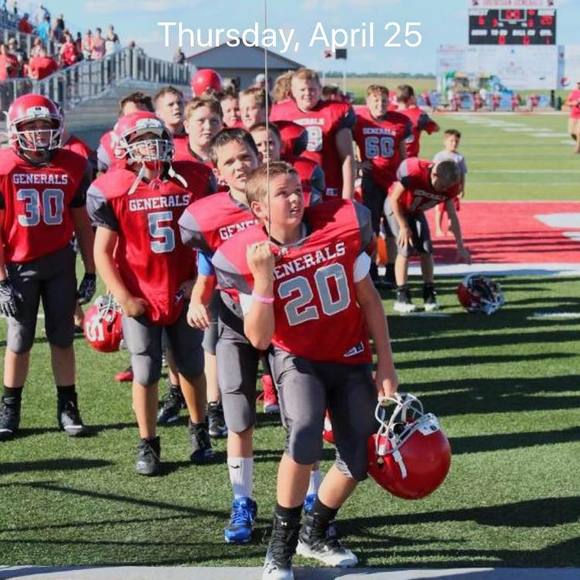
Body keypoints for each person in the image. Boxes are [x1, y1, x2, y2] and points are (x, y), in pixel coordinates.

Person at [211, 162, 398, 579]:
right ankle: (280, 548)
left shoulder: (339, 227)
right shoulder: (248, 252)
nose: (295, 198)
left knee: (359, 456)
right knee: (304, 433)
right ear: (259, 209)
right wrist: (263, 280)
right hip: (297, 359)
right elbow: (259, 338)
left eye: (298, 189)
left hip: (349, 354)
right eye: (283, 193)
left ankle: (315, 531)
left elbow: (369, 300)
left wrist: (385, 361)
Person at [88, 112, 213, 474]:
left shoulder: (192, 178)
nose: (151, 145)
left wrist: (198, 281)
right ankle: (148, 442)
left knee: (191, 365)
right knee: (144, 371)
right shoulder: (113, 187)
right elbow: (102, 252)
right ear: (124, 147)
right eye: (141, 140)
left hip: (182, 289)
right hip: (141, 293)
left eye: (155, 136)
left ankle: (199, 429)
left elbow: (209, 236)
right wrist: (123, 296)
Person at [179, 128, 263, 543]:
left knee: (299, 416)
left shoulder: (282, 197)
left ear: (259, 158)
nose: (240, 166)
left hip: (286, 320)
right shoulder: (208, 215)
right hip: (233, 320)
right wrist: (197, 300)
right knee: (238, 415)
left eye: (245, 157)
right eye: (230, 161)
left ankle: (310, 496)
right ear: (218, 172)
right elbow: (206, 270)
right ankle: (241, 501)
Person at [0, 94, 96, 441]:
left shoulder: (73, 164)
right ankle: (9, 406)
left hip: (59, 263)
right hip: (18, 265)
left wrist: (90, 270)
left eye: (46, 125)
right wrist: (1, 280)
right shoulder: (4, 166)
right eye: (32, 125)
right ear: (16, 129)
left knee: (62, 338)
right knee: (19, 340)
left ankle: (68, 405)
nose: (40, 132)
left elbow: (82, 222)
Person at [385, 158, 471, 313]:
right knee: (405, 248)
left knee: (426, 248)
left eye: (447, 187)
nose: (444, 190)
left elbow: (452, 215)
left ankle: (429, 292)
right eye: (442, 186)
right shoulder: (415, 172)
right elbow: (394, 199)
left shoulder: (450, 187)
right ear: (434, 175)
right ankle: (402, 295)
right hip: (397, 206)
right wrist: (404, 226)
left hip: (415, 210)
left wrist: (461, 246)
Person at [353, 84, 411, 288]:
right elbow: (346, 142)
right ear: (368, 102)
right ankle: (371, 270)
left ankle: (392, 270)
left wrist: (405, 177)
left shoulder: (399, 121)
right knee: (371, 228)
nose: (380, 104)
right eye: (376, 100)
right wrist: (357, 164)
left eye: (384, 100)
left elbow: (403, 154)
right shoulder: (359, 120)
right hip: (371, 180)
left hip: (393, 183)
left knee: (392, 227)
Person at [270, 68, 356, 201]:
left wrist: (348, 197)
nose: (307, 93)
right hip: (291, 184)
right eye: (302, 90)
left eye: (312, 89)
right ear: (292, 92)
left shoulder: (335, 112)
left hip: (329, 183)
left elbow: (347, 158)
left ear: (320, 89)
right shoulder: (279, 113)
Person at [433, 129, 468, 237]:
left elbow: (462, 174)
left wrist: (462, 188)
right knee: (439, 208)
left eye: (456, 141)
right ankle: (438, 228)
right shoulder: (439, 156)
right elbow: (433, 171)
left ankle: (450, 228)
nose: (454, 143)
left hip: (454, 188)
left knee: (452, 209)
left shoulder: (459, 158)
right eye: (451, 141)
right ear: (445, 141)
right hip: (441, 187)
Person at [396, 84, 439, 158]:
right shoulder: (418, 114)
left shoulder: (389, 114)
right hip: (409, 160)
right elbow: (436, 128)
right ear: (411, 98)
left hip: (392, 160)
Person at [564, 80, 580, 154]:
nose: (579, 85)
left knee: (578, 132)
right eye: (578, 83)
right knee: (571, 133)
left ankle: (577, 149)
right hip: (573, 116)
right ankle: (578, 143)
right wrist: (572, 103)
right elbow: (566, 102)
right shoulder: (573, 92)